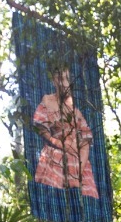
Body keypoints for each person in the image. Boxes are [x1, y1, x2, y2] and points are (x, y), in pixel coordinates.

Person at [31, 66, 98, 199]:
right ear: (54, 81)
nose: (64, 83)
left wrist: (78, 171)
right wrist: (59, 143)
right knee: (53, 200)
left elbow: (86, 140)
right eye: (60, 78)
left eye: (67, 79)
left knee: (83, 204)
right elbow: (42, 129)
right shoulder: (47, 101)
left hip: (79, 161)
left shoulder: (75, 110)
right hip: (55, 157)